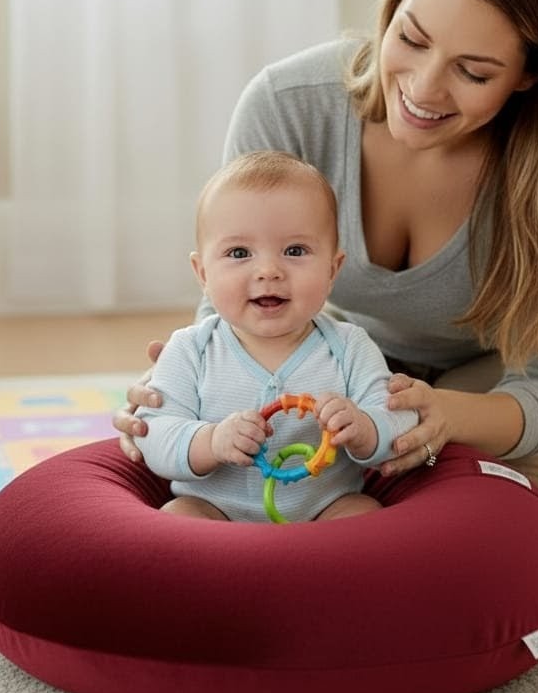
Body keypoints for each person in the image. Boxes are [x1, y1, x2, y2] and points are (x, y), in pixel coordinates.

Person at [118, 0, 538, 495]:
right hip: (363, 359)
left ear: (529, 75)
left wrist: (443, 413)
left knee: (460, 512)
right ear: (393, 6)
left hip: (505, 376)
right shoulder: (289, 106)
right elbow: (232, 296)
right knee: (242, 485)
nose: (424, 89)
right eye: (412, 38)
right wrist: (181, 397)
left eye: (474, 72)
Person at [134, 150, 417, 522]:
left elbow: (401, 422)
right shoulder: (190, 350)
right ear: (203, 274)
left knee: (365, 515)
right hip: (216, 512)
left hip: (322, 511)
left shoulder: (351, 347)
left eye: (295, 250)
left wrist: (365, 427)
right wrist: (212, 441)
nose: (268, 270)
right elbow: (154, 435)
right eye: (239, 252)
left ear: (333, 270)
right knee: (178, 516)